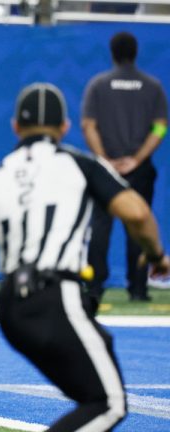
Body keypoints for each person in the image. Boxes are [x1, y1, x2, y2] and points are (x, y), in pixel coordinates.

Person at [0, 82, 170, 431]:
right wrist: (157, 255)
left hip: (11, 307)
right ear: (65, 127)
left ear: (15, 127)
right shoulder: (80, 165)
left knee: (92, 390)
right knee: (109, 403)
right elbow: (136, 214)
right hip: (56, 295)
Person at [82, 31, 168, 304]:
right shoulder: (152, 87)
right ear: (135, 52)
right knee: (139, 223)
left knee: (100, 227)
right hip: (139, 170)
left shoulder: (98, 85)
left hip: (105, 169)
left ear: (113, 53)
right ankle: (139, 289)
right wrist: (137, 159)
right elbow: (159, 127)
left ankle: (94, 287)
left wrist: (105, 161)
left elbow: (88, 125)